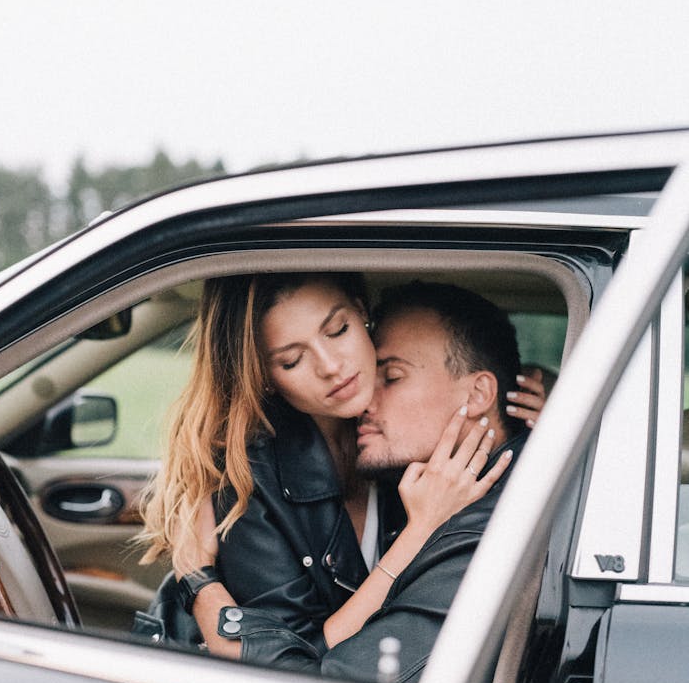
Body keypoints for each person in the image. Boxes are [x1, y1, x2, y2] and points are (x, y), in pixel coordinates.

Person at [137, 274, 538, 652]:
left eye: (337, 331)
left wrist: (555, 403)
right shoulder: (248, 476)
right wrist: (197, 579)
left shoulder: (401, 435)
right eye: (292, 360)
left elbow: (469, 390)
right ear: (265, 375)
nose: (331, 366)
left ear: (364, 315)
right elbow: (293, 671)